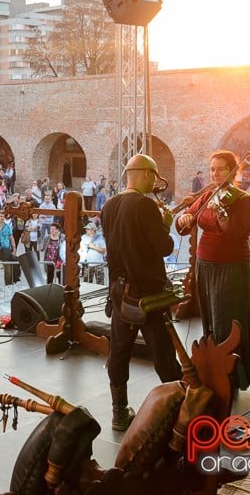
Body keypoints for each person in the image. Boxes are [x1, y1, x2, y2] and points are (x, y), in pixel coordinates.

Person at [175, 150, 250, 390]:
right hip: (205, 265)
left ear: (232, 170)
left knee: (227, 319)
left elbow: (237, 233)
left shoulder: (244, 199)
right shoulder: (209, 194)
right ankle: (214, 368)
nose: (215, 174)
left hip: (230, 266)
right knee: (210, 317)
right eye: (212, 169)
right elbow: (186, 217)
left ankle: (232, 375)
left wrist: (222, 216)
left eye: (220, 169)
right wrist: (184, 220)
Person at [101, 154, 182, 432]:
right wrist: (165, 224)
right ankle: (177, 411)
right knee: (162, 353)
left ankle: (119, 414)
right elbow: (164, 247)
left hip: (119, 291)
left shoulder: (109, 204)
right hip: (148, 293)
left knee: (119, 352)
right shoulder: (145, 205)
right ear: (147, 174)